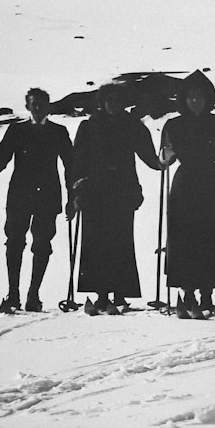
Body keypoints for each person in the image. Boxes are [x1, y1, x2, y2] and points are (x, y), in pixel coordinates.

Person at [160, 70, 215, 319]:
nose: (196, 101)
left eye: (200, 96)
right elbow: (165, 159)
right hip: (185, 184)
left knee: (212, 238)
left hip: (210, 183)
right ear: (184, 99)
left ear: (208, 98)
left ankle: (207, 295)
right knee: (185, 238)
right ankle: (187, 293)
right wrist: (165, 157)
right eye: (191, 97)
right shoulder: (173, 124)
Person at [71, 83, 160, 315]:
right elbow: (77, 160)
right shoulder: (89, 126)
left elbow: (149, 155)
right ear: (102, 102)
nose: (113, 104)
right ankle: (101, 294)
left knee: (121, 240)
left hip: (122, 190)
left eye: (117, 100)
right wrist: (76, 190)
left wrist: (163, 162)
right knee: (95, 242)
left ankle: (119, 293)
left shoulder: (133, 126)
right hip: (95, 190)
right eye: (109, 100)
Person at [0, 87, 72, 313]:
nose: (38, 107)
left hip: (47, 195)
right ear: (28, 106)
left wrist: (73, 196)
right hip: (20, 195)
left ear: (47, 106)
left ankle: (33, 294)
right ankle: (13, 293)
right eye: (34, 103)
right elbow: (3, 157)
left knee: (42, 244)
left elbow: (70, 166)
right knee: (14, 241)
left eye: (41, 103)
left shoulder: (58, 132)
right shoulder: (16, 131)